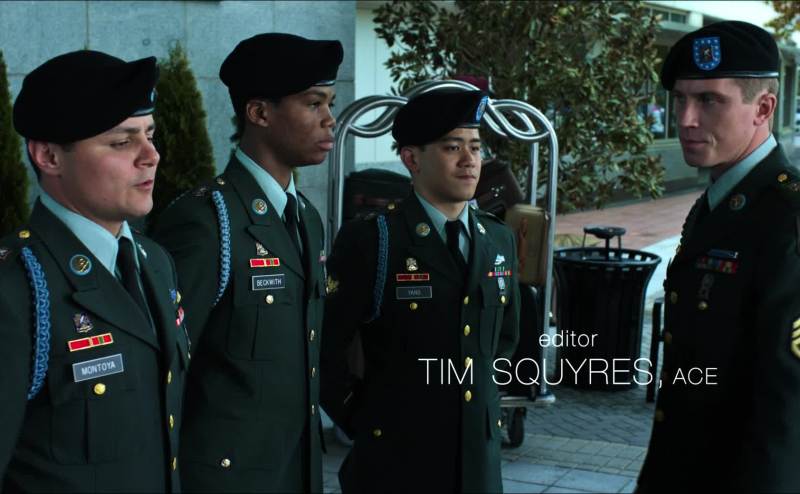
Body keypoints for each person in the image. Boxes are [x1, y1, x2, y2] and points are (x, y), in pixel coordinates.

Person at [148, 33, 342, 493]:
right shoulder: (205, 220)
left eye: (330, 104)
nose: (329, 119)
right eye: (313, 103)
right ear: (259, 113)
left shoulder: (306, 217)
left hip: (296, 470)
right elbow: (165, 369)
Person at [0, 50, 190, 492]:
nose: (151, 156)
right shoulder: (16, 288)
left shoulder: (155, 262)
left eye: (150, 135)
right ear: (49, 156)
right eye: (122, 142)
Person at [321, 89, 520, 493]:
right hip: (397, 461)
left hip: (477, 464)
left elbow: (505, 339)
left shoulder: (498, 238)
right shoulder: (375, 240)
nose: (469, 160)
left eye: (475, 147)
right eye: (452, 147)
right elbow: (326, 346)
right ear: (412, 159)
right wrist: (364, 419)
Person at [638, 21, 800, 492]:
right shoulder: (721, 202)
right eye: (680, 99)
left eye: (710, 101)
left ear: (763, 108)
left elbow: (785, 409)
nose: (686, 119)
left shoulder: (786, 217)